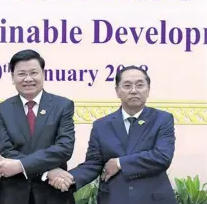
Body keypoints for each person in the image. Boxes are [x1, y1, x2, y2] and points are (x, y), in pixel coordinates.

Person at [49, 66, 177, 204]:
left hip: (153, 199)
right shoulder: (101, 125)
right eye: (127, 85)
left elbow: (162, 156)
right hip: (114, 198)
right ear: (117, 91)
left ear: (148, 89)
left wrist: (120, 163)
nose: (134, 90)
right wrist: (69, 178)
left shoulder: (162, 119)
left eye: (140, 85)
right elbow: (93, 164)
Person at [0, 49, 76, 204]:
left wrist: (22, 165)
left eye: (33, 73)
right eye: (21, 74)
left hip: (53, 194)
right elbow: (4, 151)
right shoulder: (1, 110)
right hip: (14, 194)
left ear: (43, 74)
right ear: (12, 77)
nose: (28, 79)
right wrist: (46, 171)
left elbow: (64, 148)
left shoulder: (62, 105)